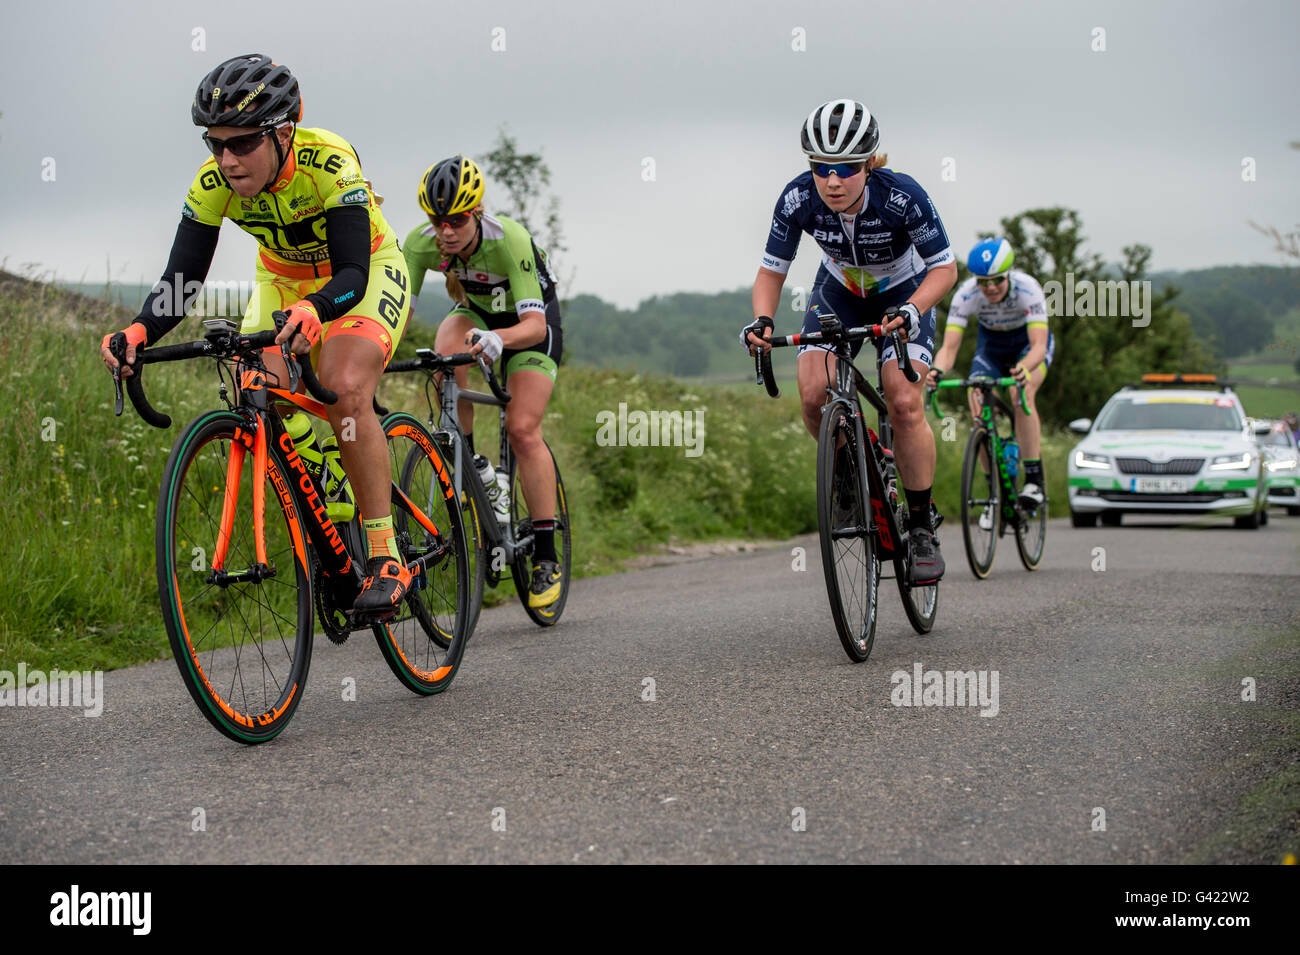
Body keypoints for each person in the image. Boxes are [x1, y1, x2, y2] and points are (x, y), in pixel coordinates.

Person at [99, 53, 415, 615]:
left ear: (284, 131)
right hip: (282, 279)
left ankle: (386, 552)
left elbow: (353, 271)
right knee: (259, 385)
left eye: (242, 144)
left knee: (343, 389)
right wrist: (140, 329)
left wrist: (319, 310)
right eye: (215, 144)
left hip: (360, 272)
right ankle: (328, 503)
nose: (227, 159)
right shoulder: (212, 182)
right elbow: (183, 276)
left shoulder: (329, 160)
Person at [743, 99, 958, 583]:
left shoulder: (903, 196)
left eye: (846, 169)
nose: (833, 181)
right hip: (839, 290)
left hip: (905, 292)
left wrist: (912, 310)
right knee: (814, 395)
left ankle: (922, 525)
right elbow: (771, 271)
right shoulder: (798, 198)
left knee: (903, 402)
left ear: (870, 163)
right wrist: (761, 319)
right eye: (821, 168)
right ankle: (847, 478)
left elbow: (945, 269)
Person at [401, 156, 565, 608]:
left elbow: (534, 325)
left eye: (455, 220)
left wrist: (500, 338)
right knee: (443, 349)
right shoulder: (420, 246)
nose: (446, 231)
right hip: (477, 316)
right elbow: (398, 315)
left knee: (522, 429)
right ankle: (471, 461)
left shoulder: (508, 239)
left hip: (529, 326)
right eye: (437, 221)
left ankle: (546, 557)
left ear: (475, 213)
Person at [927, 238, 1053, 519]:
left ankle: (1034, 480)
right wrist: (936, 372)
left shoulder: (1027, 288)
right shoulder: (966, 295)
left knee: (1022, 392)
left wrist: (1024, 368)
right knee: (976, 400)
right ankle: (993, 492)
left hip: (1027, 349)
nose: (991, 287)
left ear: (1008, 274)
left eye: (997, 280)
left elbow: (1039, 347)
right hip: (992, 350)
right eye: (984, 282)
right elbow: (949, 349)